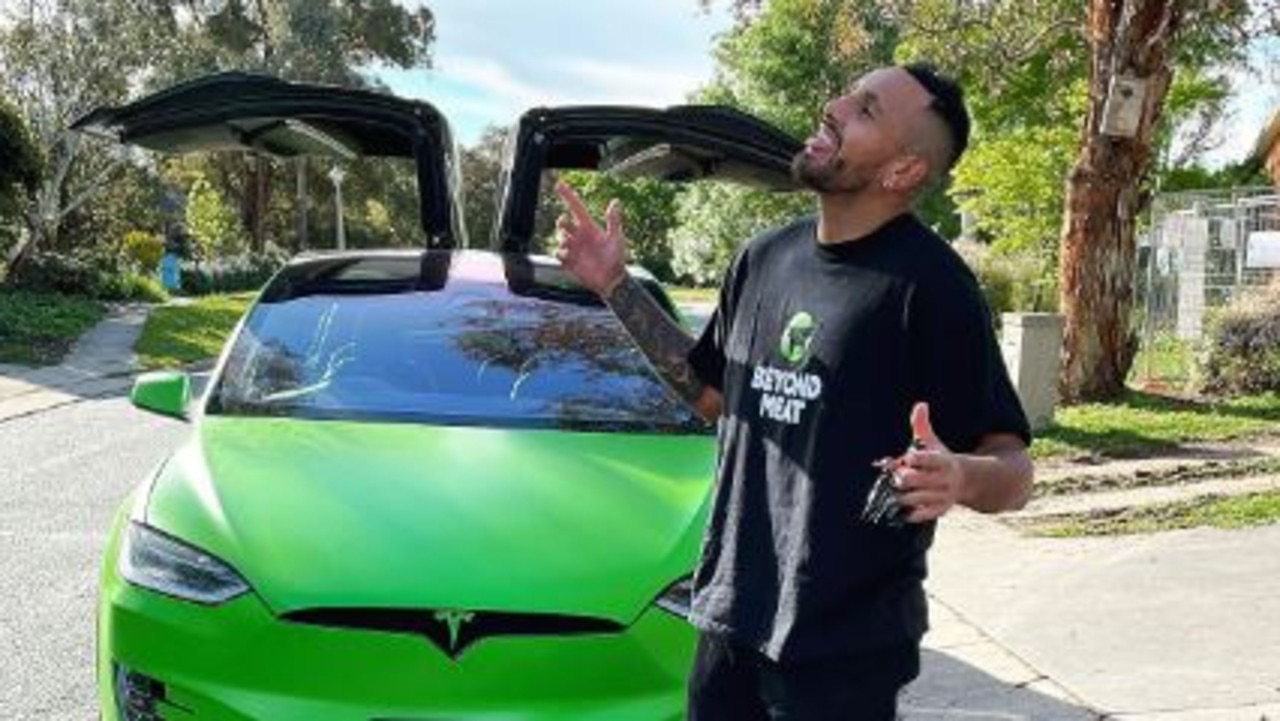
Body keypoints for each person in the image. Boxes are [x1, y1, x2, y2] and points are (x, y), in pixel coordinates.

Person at [555, 63, 1034, 720]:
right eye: (847, 93)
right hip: (730, 616)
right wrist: (614, 284)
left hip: (844, 649)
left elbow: (1014, 468)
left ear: (903, 171)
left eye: (866, 111)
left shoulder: (934, 288)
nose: (833, 106)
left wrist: (960, 476)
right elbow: (713, 397)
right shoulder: (763, 258)